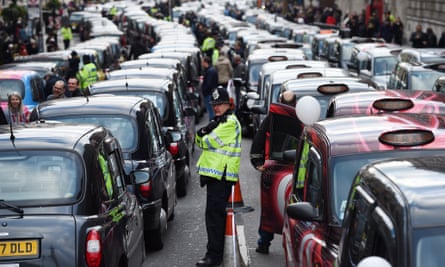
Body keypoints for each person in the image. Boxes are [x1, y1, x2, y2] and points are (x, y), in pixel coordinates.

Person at [195, 86, 242, 267]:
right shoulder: (220, 121)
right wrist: (205, 132)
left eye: (220, 104)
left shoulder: (229, 123)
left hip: (220, 177)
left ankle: (213, 256)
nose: (216, 108)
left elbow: (207, 141)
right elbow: (198, 140)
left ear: (227, 104)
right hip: (214, 176)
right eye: (214, 105)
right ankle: (214, 253)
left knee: (214, 219)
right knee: (213, 217)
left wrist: (205, 132)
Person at [249, 90, 297, 254]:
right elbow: (259, 141)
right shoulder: (272, 120)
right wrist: (257, 162)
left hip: (295, 171)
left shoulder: (302, 121)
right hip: (278, 170)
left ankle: (269, 242)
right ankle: (264, 241)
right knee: (270, 209)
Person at [201, 55, 219, 121]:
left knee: (211, 110)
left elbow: (209, 84)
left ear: (206, 62)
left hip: (209, 94)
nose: (202, 63)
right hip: (211, 92)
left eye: (202, 62)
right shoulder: (211, 70)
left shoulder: (210, 71)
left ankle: (212, 123)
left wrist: (204, 91)